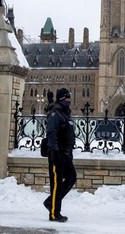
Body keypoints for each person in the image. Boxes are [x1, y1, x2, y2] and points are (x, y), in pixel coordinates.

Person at [43, 88, 76, 223]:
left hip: (66, 154)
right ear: (62, 99)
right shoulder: (55, 114)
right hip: (57, 154)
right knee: (56, 184)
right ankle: (54, 213)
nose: (69, 101)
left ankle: (51, 202)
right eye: (67, 98)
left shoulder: (64, 113)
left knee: (71, 177)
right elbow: (51, 133)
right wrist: (55, 152)